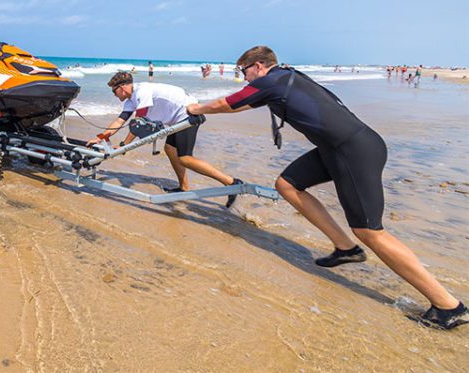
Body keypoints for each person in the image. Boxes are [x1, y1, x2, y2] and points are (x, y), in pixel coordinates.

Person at [186, 46, 467, 330]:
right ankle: (345, 249)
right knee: (287, 184)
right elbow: (244, 103)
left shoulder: (270, 82)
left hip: (351, 150)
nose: (244, 78)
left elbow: (228, 103)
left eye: (244, 72)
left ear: (258, 66)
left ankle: (448, 306)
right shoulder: (284, 78)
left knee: (370, 231)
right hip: (338, 148)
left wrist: (194, 108)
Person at [87, 71, 243, 207]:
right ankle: (184, 188)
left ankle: (231, 182)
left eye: (114, 92)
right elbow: (119, 121)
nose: (115, 96)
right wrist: (99, 138)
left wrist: (123, 145)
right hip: (177, 119)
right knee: (170, 149)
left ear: (121, 88)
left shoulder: (142, 91)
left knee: (186, 158)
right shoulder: (130, 100)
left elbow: (139, 123)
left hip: (187, 114)